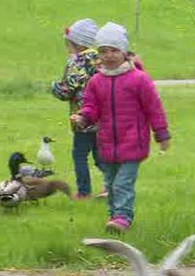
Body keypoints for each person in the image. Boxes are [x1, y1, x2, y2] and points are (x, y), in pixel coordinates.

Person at [71, 22, 170, 233]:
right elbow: (91, 107)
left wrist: (161, 134)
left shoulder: (139, 80)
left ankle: (123, 218)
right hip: (107, 144)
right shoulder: (96, 81)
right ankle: (115, 215)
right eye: (103, 51)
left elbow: (154, 108)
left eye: (114, 50)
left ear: (124, 52)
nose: (109, 55)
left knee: (122, 183)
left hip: (133, 143)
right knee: (110, 183)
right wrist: (83, 118)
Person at [51, 18, 104, 199]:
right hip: (102, 118)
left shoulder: (76, 62)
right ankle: (110, 186)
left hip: (82, 118)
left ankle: (84, 192)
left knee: (80, 155)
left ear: (75, 43)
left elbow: (67, 90)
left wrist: (55, 87)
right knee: (100, 155)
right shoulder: (101, 59)